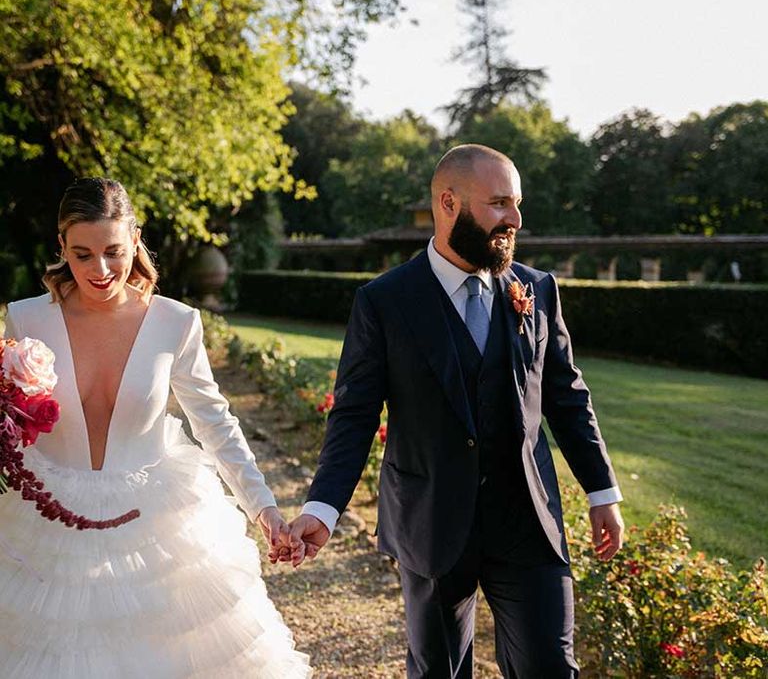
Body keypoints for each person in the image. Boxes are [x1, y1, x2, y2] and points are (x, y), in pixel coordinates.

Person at [288, 144, 625, 677]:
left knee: (550, 668)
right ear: (449, 202)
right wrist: (324, 508)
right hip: (431, 522)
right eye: (498, 204)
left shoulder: (536, 290)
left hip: (528, 523)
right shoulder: (384, 301)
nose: (514, 219)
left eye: (515, 204)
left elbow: (566, 395)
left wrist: (602, 491)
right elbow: (353, 415)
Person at [0, 178, 311, 678]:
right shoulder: (25, 321)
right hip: (41, 521)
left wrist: (265, 509)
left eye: (114, 252)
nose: (99, 271)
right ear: (61, 248)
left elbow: (214, 422)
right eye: (82, 255)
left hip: (152, 520)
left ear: (135, 239)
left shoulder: (175, 323)